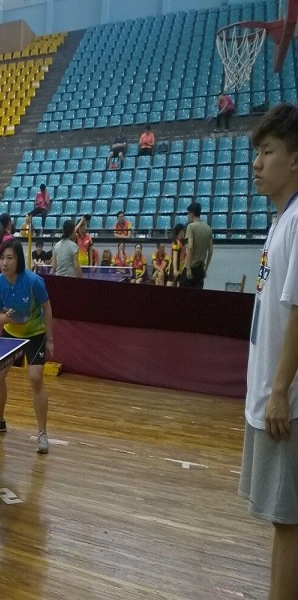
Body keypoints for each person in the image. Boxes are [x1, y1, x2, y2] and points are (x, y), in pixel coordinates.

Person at [239, 103, 298, 600]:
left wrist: (280, 390)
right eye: (256, 153)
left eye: (268, 152)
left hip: (287, 404)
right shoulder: (281, 222)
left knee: (288, 522)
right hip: (270, 397)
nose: (256, 163)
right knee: (284, 522)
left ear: (295, 159)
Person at [0, 238, 54, 454]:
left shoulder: (33, 281)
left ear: (19, 260)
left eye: (10, 258)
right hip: (10, 334)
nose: (5, 263)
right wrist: (7, 318)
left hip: (35, 334)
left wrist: (50, 339)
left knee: (35, 378)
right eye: (2, 258)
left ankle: (42, 433)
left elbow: (47, 308)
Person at [180, 202, 213, 288]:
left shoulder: (191, 227)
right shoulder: (208, 228)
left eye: (188, 213)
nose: (188, 215)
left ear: (191, 214)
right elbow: (210, 252)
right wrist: (205, 270)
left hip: (191, 267)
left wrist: (188, 268)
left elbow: (190, 247)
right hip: (200, 269)